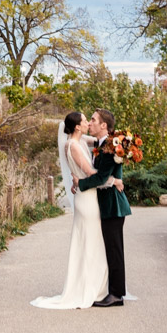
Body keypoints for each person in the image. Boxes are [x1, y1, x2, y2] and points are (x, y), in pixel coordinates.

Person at [30, 111, 123, 309]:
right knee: (90, 243)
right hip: (87, 199)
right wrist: (114, 180)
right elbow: (91, 173)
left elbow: (101, 141)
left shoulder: (83, 141)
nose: (89, 123)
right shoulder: (72, 145)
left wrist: (122, 142)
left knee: (94, 243)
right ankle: (88, 287)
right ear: (78, 127)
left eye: (92, 120)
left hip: (89, 196)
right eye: (85, 120)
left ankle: (99, 287)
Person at [76, 108, 132, 307]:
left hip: (113, 206)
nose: (89, 123)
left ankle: (116, 294)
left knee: (114, 250)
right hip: (106, 204)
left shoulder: (110, 147)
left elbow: (100, 177)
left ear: (103, 125)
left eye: (93, 120)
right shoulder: (102, 144)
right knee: (110, 249)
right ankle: (112, 290)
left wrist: (78, 184)